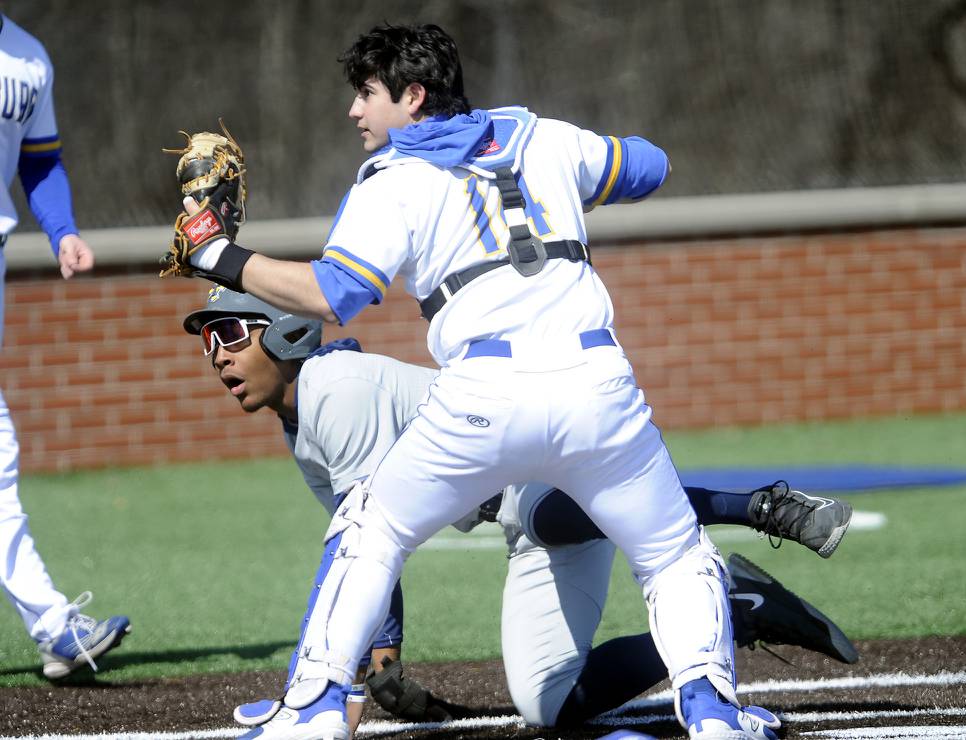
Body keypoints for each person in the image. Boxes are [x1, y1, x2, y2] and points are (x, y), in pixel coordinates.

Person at [167, 22, 851, 738]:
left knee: (371, 530)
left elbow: (330, 295)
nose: (355, 111)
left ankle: (311, 712)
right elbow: (650, 164)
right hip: (597, 385)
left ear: (414, 96)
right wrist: (541, 164)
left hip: (485, 393)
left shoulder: (393, 178)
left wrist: (219, 253)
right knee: (674, 553)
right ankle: (715, 718)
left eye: (368, 94)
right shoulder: (544, 136)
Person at [182, 288, 857, 736]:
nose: (218, 357)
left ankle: (760, 506)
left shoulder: (333, 389)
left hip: (539, 473)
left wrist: (345, 692)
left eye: (232, 334)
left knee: (540, 513)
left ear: (291, 332)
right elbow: (366, 558)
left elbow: (377, 548)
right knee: (547, 705)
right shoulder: (300, 425)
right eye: (207, 343)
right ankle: (737, 610)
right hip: (516, 520)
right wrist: (384, 667)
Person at [0, 13, 130, 680]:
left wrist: (62, 231)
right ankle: (53, 626)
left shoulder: (28, 57)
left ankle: (53, 628)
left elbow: (39, 159)